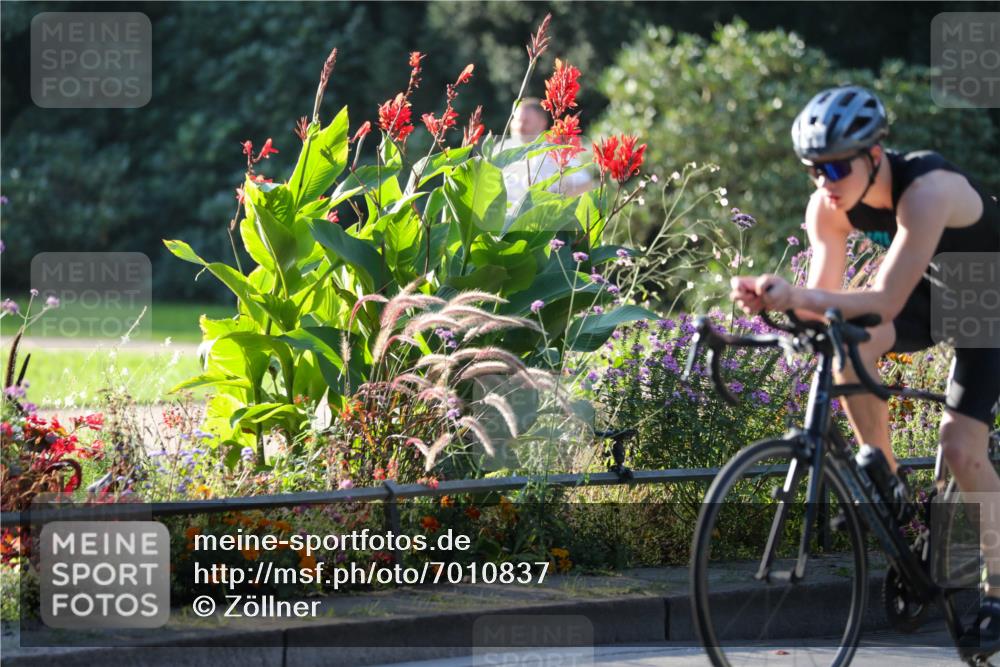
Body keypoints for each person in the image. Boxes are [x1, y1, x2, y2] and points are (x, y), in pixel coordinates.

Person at [731, 85, 1000, 655]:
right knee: (846, 342)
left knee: (960, 446)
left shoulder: (927, 191)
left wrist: (794, 294)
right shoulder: (827, 205)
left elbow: (884, 296)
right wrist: (768, 297)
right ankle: (892, 482)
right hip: (933, 292)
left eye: (834, 166)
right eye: (812, 169)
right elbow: (825, 300)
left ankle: (998, 584)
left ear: (874, 155)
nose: (824, 181)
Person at [502, 97, 592, 207]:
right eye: (516, 120)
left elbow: (585, 184)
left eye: (526, 121)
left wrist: (552, 200)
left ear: (542, 123)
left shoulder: (555, 150)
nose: (519, 126)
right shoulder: (501, 148)